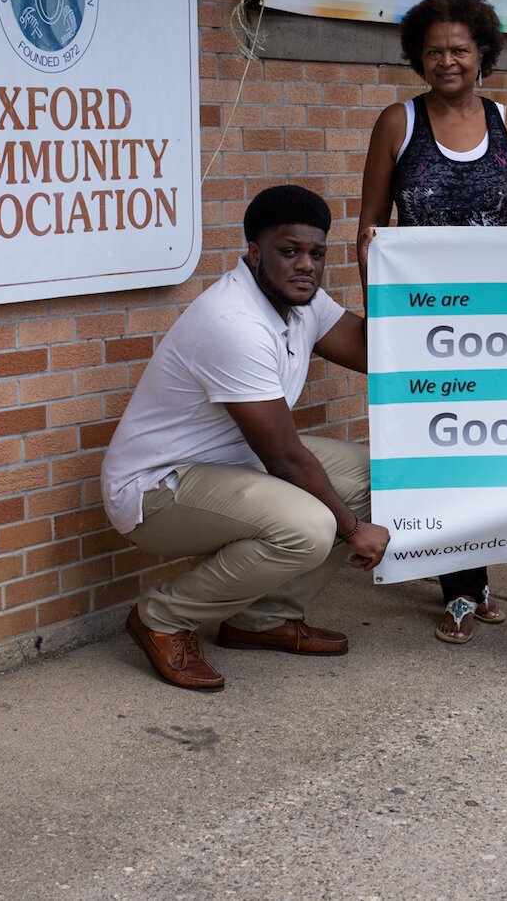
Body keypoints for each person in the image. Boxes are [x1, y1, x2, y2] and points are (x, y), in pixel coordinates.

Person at [101, 184, 390, 692]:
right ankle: (162, 618)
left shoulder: (304, 302)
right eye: (289, 251)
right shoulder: (233, 321)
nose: (305, 265)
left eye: (316, 253)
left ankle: (262, 619)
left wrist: (375, 275)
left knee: (376, 477)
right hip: (157, 488)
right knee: (311, 526)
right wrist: (352, 530)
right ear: (254, 253)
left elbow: (375, 353)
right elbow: (283, 456)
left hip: (230, 465)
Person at [358, 0, 507, 645]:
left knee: (490, 455)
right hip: (426, 328)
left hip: (499, 328)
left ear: (482, 54)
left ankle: (477, 576)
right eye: (434, 50)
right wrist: (385, 322)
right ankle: (463, 588)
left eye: (460, 49)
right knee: (441, 455)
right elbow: (369, 232)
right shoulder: (397, 124)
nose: (447, 60)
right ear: (417, 55)